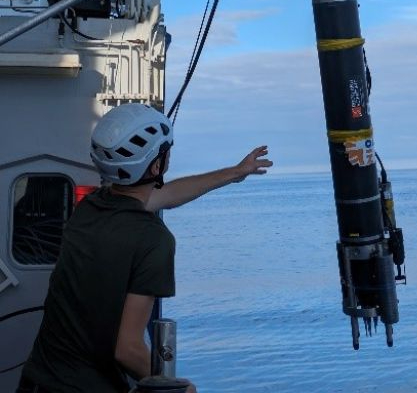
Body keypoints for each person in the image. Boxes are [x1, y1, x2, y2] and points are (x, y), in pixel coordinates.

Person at [17, 103, 272, 393]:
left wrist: (236, 172)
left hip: (35, 382)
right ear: (156, 166)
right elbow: (127, 349)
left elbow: (169, 194)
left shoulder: (90, 208)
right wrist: (177, 387)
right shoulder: (153, 240)